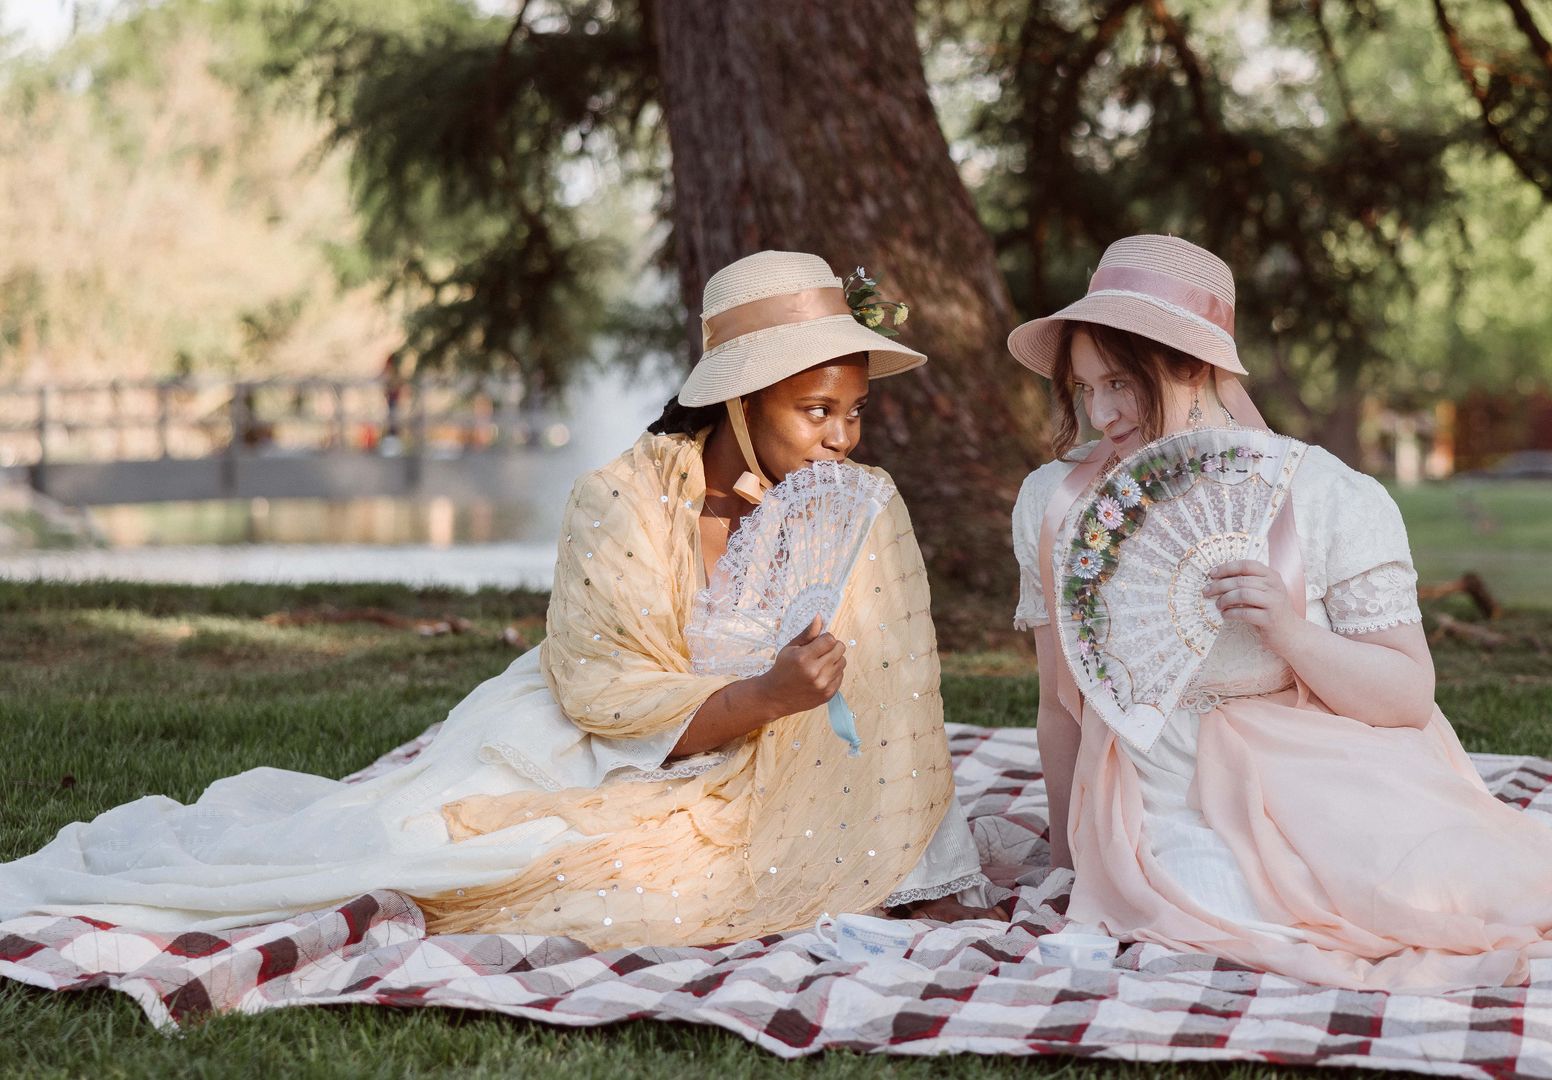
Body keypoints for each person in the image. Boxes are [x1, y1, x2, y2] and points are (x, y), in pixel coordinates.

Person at [0, 250, 988, 951]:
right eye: (816, 410)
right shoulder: (622, 504)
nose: (842, 439)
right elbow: (608, 697)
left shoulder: (863, 510)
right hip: (586, 734)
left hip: (780, 741)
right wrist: (762, 698)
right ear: (738, 398)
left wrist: (849, 778)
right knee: (458, 852)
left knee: (741, 865)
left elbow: (896, 709)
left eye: (854, 411)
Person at [1005, 234, 1552, 992]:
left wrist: (1289, 631)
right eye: (1084, 389)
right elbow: (1059, 705)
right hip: (1146, 785)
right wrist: (1068, 863)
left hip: (1311, 761)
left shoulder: (1326, 495)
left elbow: (1407, 698)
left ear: (1192, 363)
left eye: (1120, 384)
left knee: (1433, 899)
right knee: (1223, 924)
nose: (1102, 413)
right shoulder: (1056, 503)